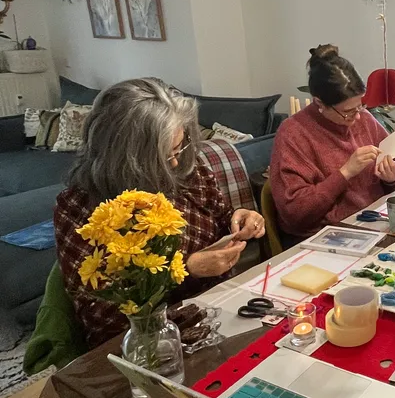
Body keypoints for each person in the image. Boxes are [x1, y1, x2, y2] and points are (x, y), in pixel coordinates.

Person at [55, 78, 266, 349]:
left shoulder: (189, 173)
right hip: (145, 343)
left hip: (216, 313)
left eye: (179, 148)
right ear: (126, 159)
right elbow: (100, 316)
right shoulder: (80, 209)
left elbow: (222, 216)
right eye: (165, 157)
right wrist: (187, 270)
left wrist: (241, 217)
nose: (176, 163)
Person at [271, 44, 395, 239]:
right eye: (347, 112)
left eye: (360, 106)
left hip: (370, 221)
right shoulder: (293, 133)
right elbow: (295, 213)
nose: (357, 117)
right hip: (325, 235)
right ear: (319, 103)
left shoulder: (365, 119)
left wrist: (392, 177)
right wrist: (346, 172)